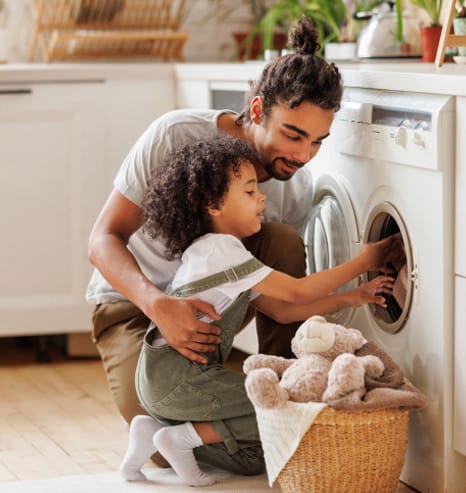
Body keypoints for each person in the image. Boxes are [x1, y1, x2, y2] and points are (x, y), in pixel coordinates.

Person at [87, 15, 352, 427]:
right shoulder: (175, 136)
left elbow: (282, 300)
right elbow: (103, 237)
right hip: (132, 304)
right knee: (160, 433)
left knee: (280, 239)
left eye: (317, 141)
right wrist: (158, 305)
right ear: (259, 109)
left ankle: (287, 386)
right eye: (293, 135)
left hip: (213, 309)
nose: (303, 155)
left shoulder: (294, 188)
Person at [118, 135, 397, 486]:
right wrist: (364, 261)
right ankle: (180, 438)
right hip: (182, 379)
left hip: (159, 379)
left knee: (251, 460)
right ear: (213, 205)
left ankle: (151, 431)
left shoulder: (208, 253)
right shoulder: (224, 252)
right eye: (249, 192)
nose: (261, 197)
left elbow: (282, 311)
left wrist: (354, 296)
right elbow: (297, 291)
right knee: (282, 407)